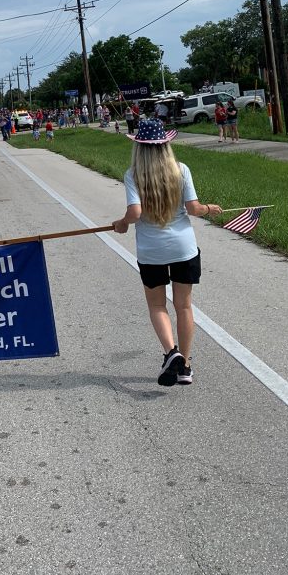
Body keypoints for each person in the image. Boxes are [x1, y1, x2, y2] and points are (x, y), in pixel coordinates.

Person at [112, 118, 222, 387]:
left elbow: (135, 213)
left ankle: (171, 352)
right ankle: (185, 366)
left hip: (152, 252)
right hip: (183, 248)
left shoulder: (133, 174)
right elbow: (194, 208)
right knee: (183, 306)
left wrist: (123, 223)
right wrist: (209, 208)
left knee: (158, 305)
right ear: (166, 145)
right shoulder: (181, 170)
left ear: (139, 147)